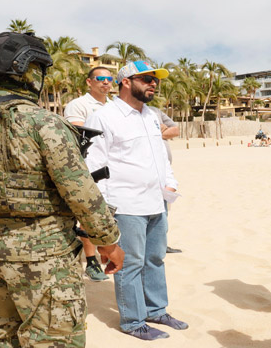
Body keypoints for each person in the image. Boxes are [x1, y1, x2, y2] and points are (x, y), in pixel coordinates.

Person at [0, 32, 124, 347]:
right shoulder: (42, 122)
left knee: (1, 338)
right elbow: (82, 193)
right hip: (42, 258)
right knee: (54, 341)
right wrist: (108, 242)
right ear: (29, 70)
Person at [85, 60, 186, 341]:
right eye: (147, 79)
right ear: (126, 81)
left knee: (155, 258)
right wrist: (104, 211)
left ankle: (156, 310)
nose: (154, 84)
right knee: (130, 263)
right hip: (126, 205)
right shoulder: (104, 117)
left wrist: (171, 183)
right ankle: (132, 321)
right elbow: (94, 167)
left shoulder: (152, 115)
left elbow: (159, 156)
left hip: (157, 201)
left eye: (156, 80)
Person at [63, 66, 114, 281]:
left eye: (109, 79)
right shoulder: (78, 104)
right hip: (87, 166)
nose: (106, 82)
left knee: (108, 212)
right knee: (88, 212)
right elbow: (79, 132)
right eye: (101, 78)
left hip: (111, 165)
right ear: (89, 82)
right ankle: (91, 261)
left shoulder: (113, 106)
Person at [148, 106, 182, 254]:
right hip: (145, 174)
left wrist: (159, 132)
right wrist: (158, 131)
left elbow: (176, 130)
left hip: (165, 174)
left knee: (163, 213)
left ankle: (161, 244)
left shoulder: (155, 111)